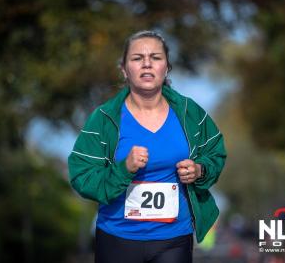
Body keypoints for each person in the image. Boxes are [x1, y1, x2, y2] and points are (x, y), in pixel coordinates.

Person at [68, 30, 227, 263]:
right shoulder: (104, 118)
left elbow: (216, 153)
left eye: (155, 57)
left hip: (174, 239)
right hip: (116, 238)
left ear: (167, 67)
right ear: (124, 69)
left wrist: (199, 170)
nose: (146, 64)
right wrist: (123, 169)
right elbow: (81, 175)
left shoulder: (189, 112)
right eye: (137, 58)